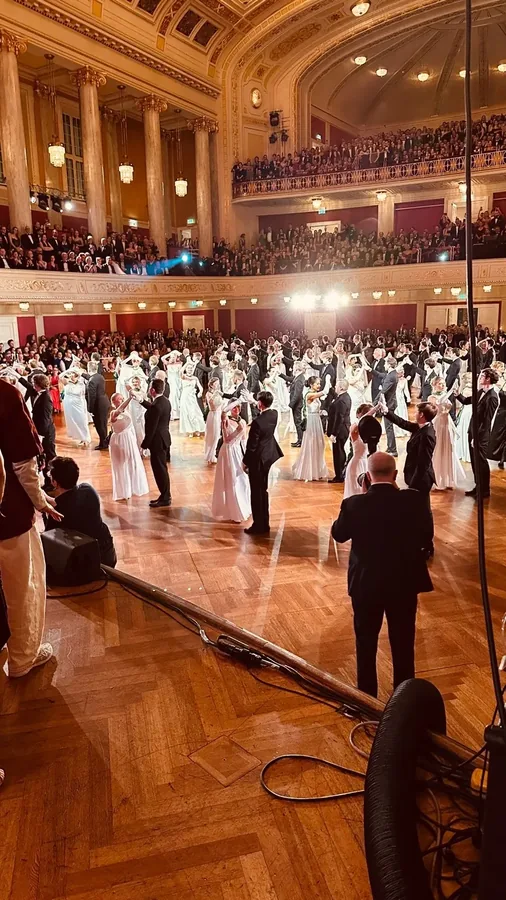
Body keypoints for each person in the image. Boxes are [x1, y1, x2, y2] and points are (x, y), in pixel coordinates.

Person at [331, 452, 433, 698]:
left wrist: (365, 496)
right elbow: (425, 538)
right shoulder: (415, 501)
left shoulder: (354, 504)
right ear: (396, 475)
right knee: (403, 643)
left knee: (365, 642)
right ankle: (403, 700)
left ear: (367, 476)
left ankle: (366, 698)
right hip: (404, 584)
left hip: (366, 584)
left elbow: (338, 533)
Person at [0, 378, 62, 677]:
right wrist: (40, 502)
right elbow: (22, 464)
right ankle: (23, 658)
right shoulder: (4, 393)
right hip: (7, 516)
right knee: (21, 585)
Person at [381, 399, 437, 556]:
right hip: (415, 477)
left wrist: (413, 485)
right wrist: (386, 412)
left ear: (421, 415)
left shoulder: (427, 435)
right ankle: (419, 540)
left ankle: (427, 545)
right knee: (418, 512)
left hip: (421, 480)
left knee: (424, 513)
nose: (413, 413)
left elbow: (423, 463)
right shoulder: (421, 428)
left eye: (416, 411)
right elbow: (404, 424)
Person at [45, 456, 116, 567]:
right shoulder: (88, 489)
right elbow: (67, 500)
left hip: (84, 561)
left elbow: (49, 537)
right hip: (106, 550)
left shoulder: (57, 511)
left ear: (55, 482)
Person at [243, 390, 283, 535]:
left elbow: (251, 446)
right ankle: (264, 522)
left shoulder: (257, 423)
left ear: (260, 404)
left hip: (257, 460)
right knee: (263, 491)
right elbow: (264, 411)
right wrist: (253, 401)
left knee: (256, 493)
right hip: (268, 457)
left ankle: (258, 525)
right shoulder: (274, 414)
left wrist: (245, 462)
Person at [456, 367, 499, 498]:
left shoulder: (492, 397)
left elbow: (486, 421)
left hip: (480, 436)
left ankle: (485, 490)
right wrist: (458, 395)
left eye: (482, 376)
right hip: (473, 431)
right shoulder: (481, 392)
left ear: (488, 379)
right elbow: (467, 401)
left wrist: (477, 438)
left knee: (481, 462)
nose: (479, 378)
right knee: (475, 462)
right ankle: (478, 486)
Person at [134, 379, 172, 508]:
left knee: (159, 470)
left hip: (157, 442)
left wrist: (144, 445)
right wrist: (140, 401)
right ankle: (164, 495)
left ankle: (165, 497)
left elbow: (151, 429)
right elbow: (153, 408)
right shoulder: (165, 401)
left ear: (152, 390)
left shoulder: (156, 405)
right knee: (162, 469)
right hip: (164, 439)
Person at [211, 403, 251, 523]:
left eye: (238, 407)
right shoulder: (226, 419)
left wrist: (246, 458)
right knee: (230, 480)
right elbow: (227, 439)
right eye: (234, 407)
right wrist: (237, 400)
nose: (236, 410)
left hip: (238, 452)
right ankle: (233, 510)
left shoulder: (243, 422)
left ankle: (244, 505)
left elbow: (244, 441)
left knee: (242, 478)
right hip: (227, 451)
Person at [109, 393, 149, 501]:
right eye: (119, 400)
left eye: (122, 399)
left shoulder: (127, 412)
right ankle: (124, 491)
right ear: (113, 402)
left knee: (133, 462)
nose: (121, 401)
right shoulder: (114, 413)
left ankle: (134, 487)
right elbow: (120, 409)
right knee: (121, 465)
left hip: (129, 439)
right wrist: (130, 398)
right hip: (119, 441)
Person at [429, 382, 465, 490]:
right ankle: (438, 480)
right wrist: (450, 392)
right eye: (440, 384)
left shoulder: (445, 394)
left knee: (448, 449)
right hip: (438, 424)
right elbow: (439, 403)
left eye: (443, 383)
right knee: (439, 449)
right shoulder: (432, 397)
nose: (442, 385)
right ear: (434, 384)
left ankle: (448, 480)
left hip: (447, 423)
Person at [292, 376, 329, 482]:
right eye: (317, 383)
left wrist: (321, 412)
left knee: (319, 444)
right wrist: (327, 380)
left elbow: (315, 407)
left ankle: (317, 469)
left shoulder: (313, 394)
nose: (319, 385)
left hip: (316, 420)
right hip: (312, 422)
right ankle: (310, 471)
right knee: (312, 443)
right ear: (311, 385)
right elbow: (325, 391)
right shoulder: (309, 394)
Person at [30, 373, 56, 491]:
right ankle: (48, 481)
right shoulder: (40, 393)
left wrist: (41, 436)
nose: (32, 385)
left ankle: (52, 481)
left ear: (38, 384)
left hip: (46, 434)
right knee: (45, 457)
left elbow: (45, 419)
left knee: (49, 457)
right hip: (42, 432)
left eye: (33, 383)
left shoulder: (46, 398)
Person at [327, 379, 351, 484]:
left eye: (336, 385)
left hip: (340, 431)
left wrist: (334, 434)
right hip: (343, 429)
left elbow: (339, 418)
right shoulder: (344, 397)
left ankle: (339, 476)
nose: (335, 387)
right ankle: (341, 473)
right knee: (340, 451)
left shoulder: (341, 400)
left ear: (341, 387)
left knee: (338, 453)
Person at [61, 368, 91, 445]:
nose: (71, 377)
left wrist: (79, 372)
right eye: (71, 375)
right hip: (68, 405)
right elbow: (60, 376)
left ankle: (85, 438)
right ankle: (80, 438)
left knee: (81, 420)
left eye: (73, 375)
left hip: (78, 405)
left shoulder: (81, 384)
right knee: (72, 421)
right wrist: (70, 370)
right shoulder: (67, 383)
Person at [87, 361, 111, 450]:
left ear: (88, 369)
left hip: (98, 406)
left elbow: (92, 397)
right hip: (104, 402)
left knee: (99, 425)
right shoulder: (100, 377)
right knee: (103, 424)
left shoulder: (91, 381)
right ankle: (104, 441)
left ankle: (103, 443)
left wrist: (90, 410)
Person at [179, 362, 205, 436]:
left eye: (191, 368)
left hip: (192, 398)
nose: (190, 370)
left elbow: (201, 387)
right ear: (186, 369)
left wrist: (200, 392)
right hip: (185, 397)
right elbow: (180, 371)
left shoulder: (195, 378)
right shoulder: (183, 376)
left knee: (194, 413)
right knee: (187, 413)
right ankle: (190, 430)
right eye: (188, 368)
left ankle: (197, 429)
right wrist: (187, 363)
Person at [204, 377, 223, 464]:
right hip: (214, 415)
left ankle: (213, 454)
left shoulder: (218, 393)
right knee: (213, 436)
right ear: (211, 385)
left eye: (218, 383)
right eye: (216, 383)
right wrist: (215, 394)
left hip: (219, 414)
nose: (217, 385)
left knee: (217, 435)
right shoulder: (208, 394)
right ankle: (210, 455)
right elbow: (212, 405)